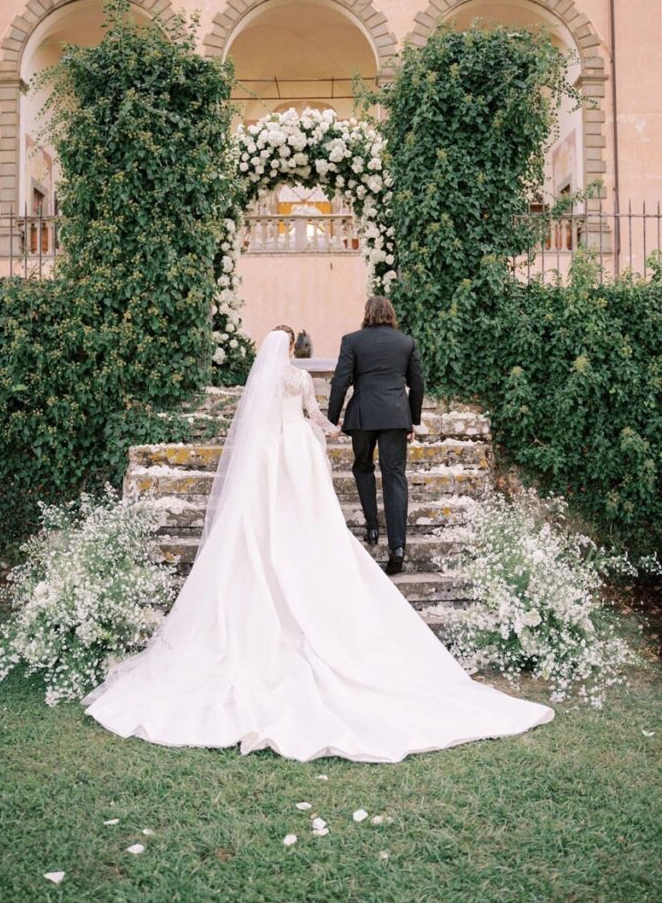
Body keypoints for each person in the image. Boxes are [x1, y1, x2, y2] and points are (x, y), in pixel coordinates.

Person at [82, 325, 554, 763]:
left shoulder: (261, 390)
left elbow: (253, 425)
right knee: (308, 508)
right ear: (290, 350)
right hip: (299, 451)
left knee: (263, 514)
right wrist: (335, 428)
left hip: (268, 454)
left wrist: (340, 421)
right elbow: (313, 416)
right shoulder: (298, 380)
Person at [328, 296, 424, 575]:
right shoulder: (406, 342)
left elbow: (340, 380)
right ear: (391, 315)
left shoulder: (352, 341)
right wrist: (413, 420)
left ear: (367, 314)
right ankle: (397, 547)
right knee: (395, 476)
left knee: (362, 467)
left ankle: (372, 526)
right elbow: (417, 384)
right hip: (395, 415)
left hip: (363, 414)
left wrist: (331, 419)